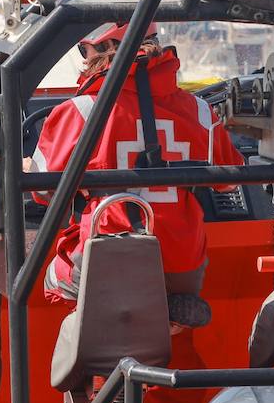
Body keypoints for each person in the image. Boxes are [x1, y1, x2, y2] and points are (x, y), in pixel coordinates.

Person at [28, 21, 244, 328]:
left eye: (84, 50)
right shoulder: (199, 110)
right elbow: (228, 180)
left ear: (107, 49)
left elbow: (43, 193)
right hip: (183, 264)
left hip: (110, 258)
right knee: (172, 337)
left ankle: (95, 363)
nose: (84, 59)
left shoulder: (78, 111)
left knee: (51, 278)